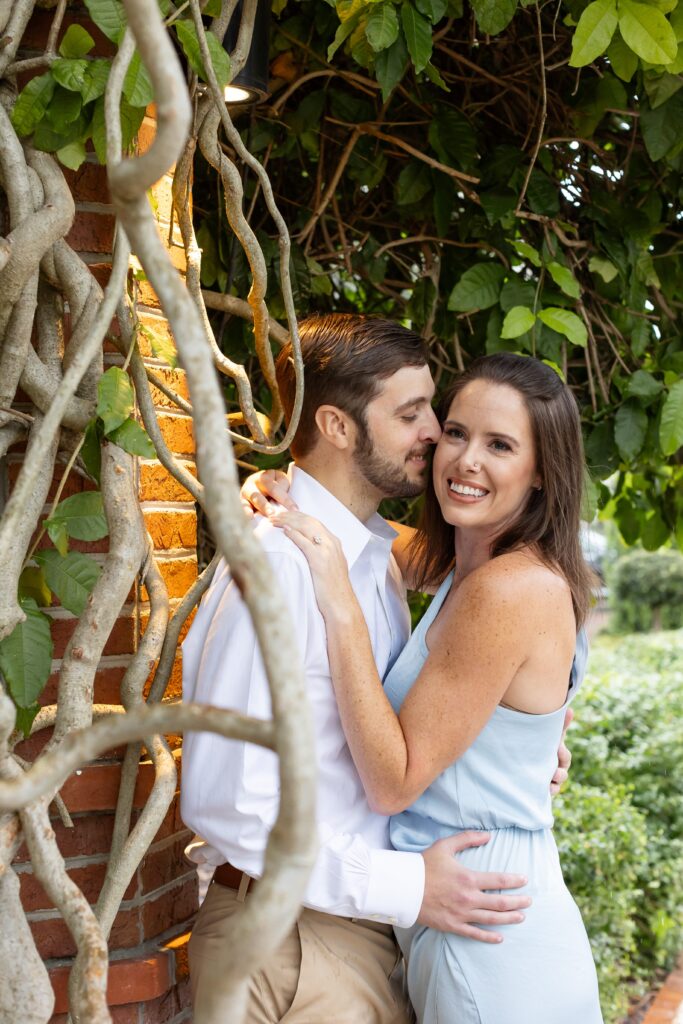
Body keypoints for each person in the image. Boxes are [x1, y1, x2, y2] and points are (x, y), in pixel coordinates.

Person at [181, 316, 570, 1023]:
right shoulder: (288, 564)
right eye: (418, 416)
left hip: (393, 924)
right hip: (295, 935)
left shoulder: (365, 560)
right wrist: (400, 886)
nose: (436, 439)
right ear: (336, 425)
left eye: (436, 415)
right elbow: (229, 801)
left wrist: (522, 747)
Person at [266, 352, 603, 1023]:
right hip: (469, 904)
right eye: (456, 433)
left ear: (540, 474)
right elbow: (372, 539)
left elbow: (394, 782)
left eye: (499, 445)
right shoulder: (469, 563)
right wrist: (288, 493)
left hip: (487, 931)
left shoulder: (508, 590)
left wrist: (339, 604)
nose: (465, 461)